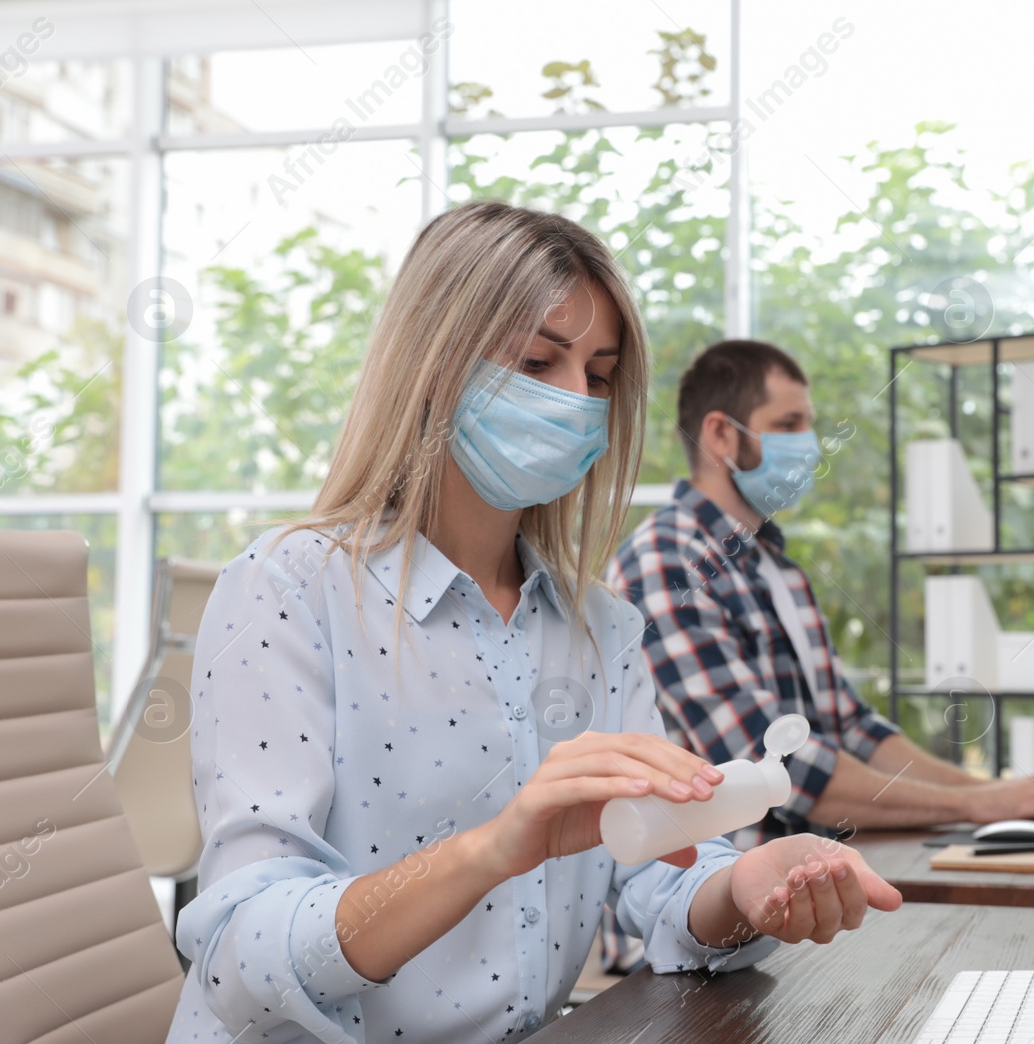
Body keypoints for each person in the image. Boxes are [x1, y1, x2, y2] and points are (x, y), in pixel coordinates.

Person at [166, 203, 900, 1044]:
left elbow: (654, 880)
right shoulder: (287, 589)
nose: (576, 401)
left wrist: (744, 887)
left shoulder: (602, 628)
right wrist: (492, 848)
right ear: (433, 366)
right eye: (537, 361)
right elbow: (237, 952)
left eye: (597, 373)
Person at [609, 340, 1034, 856]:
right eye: (790, 424)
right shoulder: (668, 562)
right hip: (714, 905)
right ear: (721, 433)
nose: (809, 443)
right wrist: (983, 806)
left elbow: (854, 729)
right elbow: (779, 769)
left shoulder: (777, 568)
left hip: (808, 889)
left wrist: (998, 794)